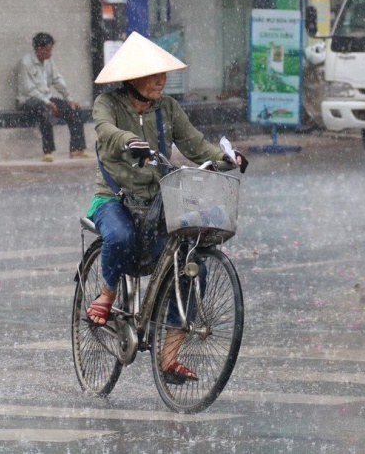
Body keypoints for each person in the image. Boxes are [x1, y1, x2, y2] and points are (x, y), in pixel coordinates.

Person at [84, 32, 247, 383]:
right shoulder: (107, 104)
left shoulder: (169, 109)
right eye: (154, 75)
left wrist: (224, 157)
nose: (162, 81)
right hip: (114, 198)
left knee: (191, 269)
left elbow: (195, 144)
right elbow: (106, 132)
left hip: (158, 203)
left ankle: (169, 356)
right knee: (120, 236)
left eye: (163, 75)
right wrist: (130, 141)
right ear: (133, 78)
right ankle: (108, 292)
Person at [16, 32, 90, 162]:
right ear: (38, 49)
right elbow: (29, 90)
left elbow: (57, 80)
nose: (50, 54)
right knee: (45, 111)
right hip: (29, 101)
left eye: (51, 50)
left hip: (47, 98)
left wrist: (69, 98)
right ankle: (48, 151)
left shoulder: (49, 61)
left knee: (75, 110)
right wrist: (47, 102)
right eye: (47, 50)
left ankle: (76, 149)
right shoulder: (25, 63)